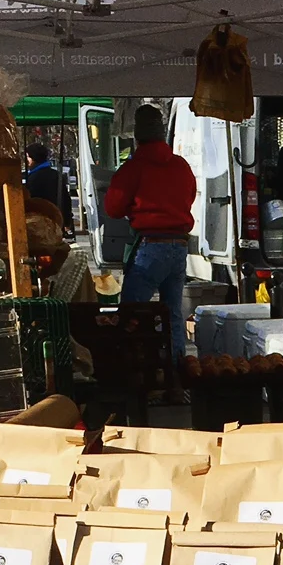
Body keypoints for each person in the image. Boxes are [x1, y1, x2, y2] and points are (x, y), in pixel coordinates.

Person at [104, 103, 196, 368]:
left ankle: (134, 370)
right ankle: (177, 373)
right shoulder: (181, 166)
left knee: (132, 313)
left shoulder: (134, 168)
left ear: (137, 136)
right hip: (179, 246)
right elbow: (189, 197)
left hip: (150, 246)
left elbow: (113, 208)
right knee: (172, 313)